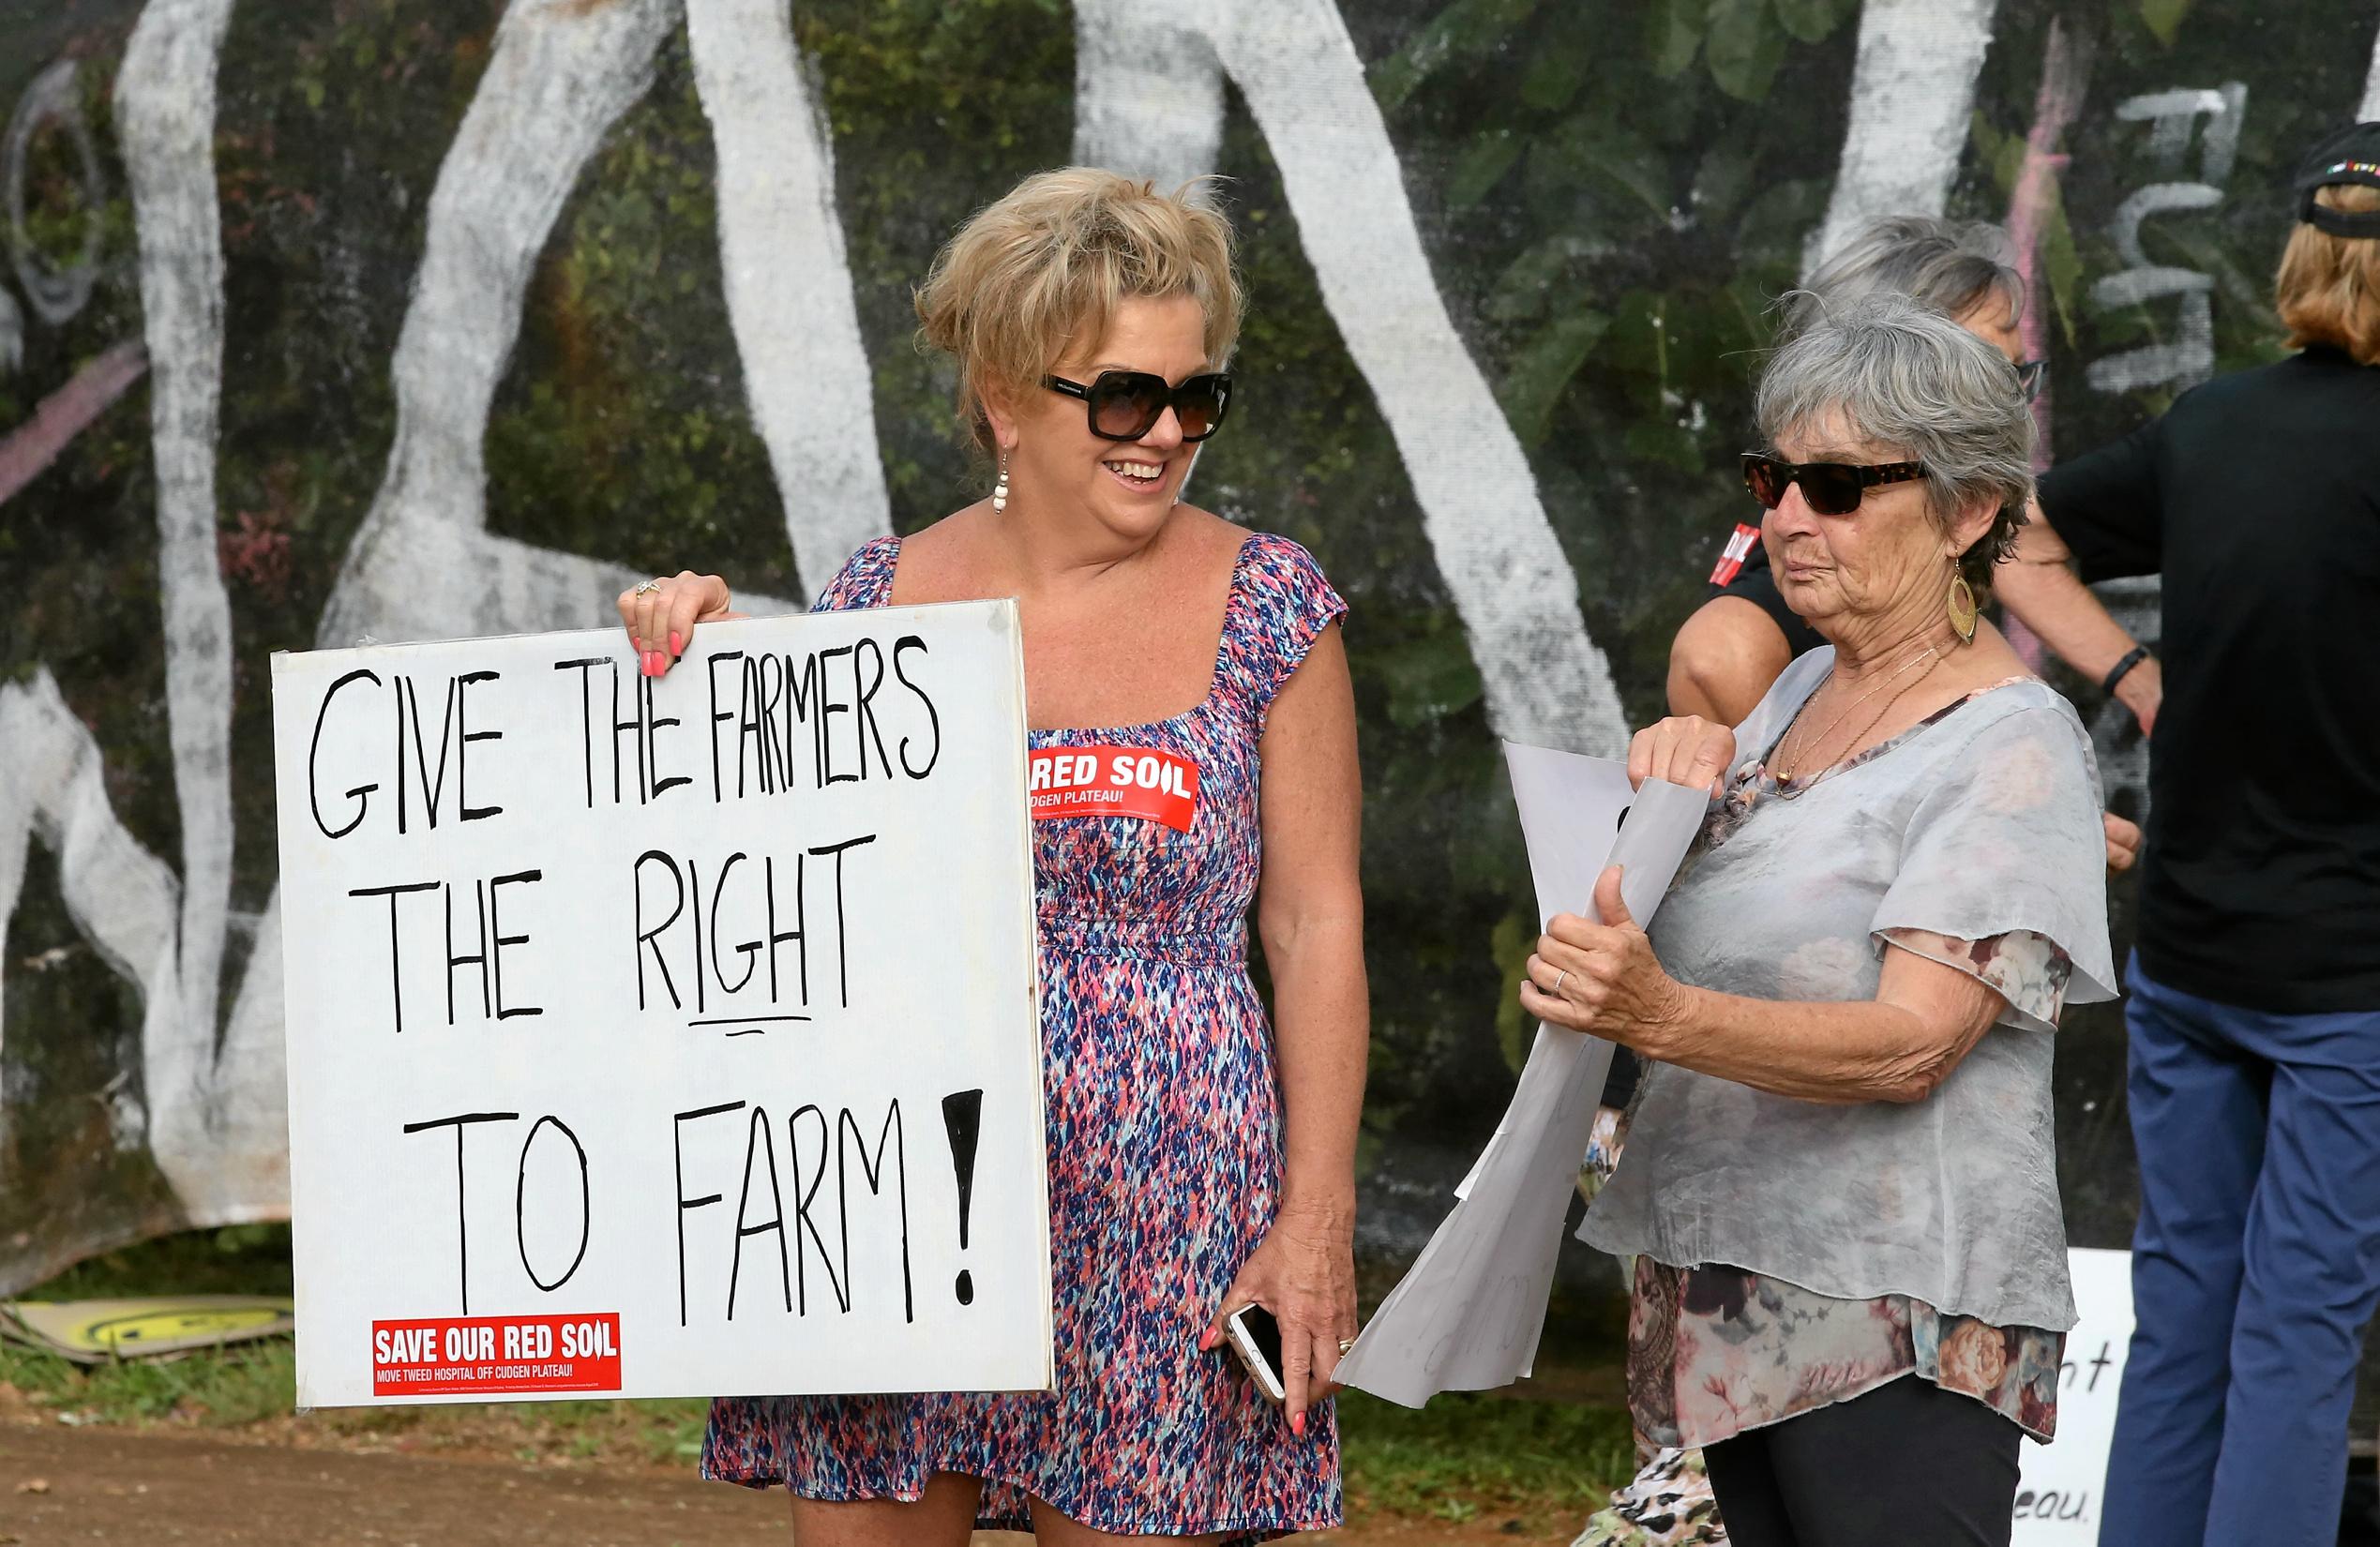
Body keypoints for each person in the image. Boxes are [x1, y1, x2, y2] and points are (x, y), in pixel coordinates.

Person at [617, 169, 1367, 1545]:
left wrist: (1313, 1223)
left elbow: (1313, 926)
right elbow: (764, 895)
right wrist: (698, 670)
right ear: (1005, 401)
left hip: (1166, 1206)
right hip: (891, 1188)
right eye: (1123, 397)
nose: (1165, 435)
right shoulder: (869, 598)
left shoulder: (1272, 603)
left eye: (1195, 395)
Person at [1543, 297, 2116, 1547]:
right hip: (1734, 1302)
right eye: (1774, 479)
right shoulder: (1799, 687)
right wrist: (1663, 802)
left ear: (1967, 512)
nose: (1788, 519)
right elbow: (1669, 927)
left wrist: (1663, 1016)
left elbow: (1913, 1044)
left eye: (1840, 485)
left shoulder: (2009, 740)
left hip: (1892, 1324)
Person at [1992, 124, 2380, 1547]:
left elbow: (2012, 532)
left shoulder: (2210, 426)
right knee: (2294, 1335)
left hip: (2194, 957)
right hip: (2350, 984)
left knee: (2185, 1313)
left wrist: (2127, 676)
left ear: (2298, 259)